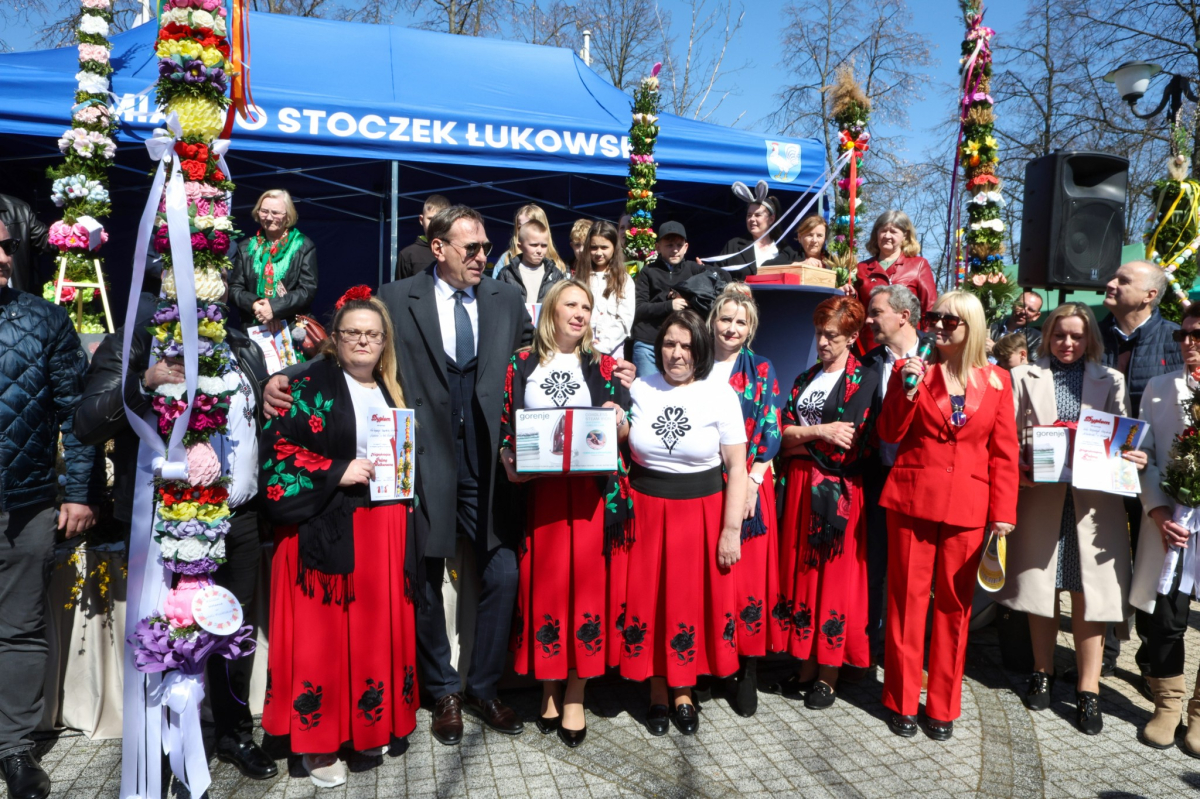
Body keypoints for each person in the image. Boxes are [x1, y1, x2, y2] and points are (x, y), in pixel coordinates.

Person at [262, 207, 642, 746]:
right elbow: (350, 346)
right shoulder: (397, 297)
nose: (485, 256)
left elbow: (549, 351)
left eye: (486, 246)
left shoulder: (505, 298)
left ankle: (483, 687)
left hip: (491, 464)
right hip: (423, 461)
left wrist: (613, 367)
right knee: (422, 575)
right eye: (473, 248)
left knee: (503, 573)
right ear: (438, 248)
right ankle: (443, 690)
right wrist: (281, 377)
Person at [73, 272, 276, 781]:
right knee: (172, 633)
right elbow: (86, 423)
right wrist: (144, 382)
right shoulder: (136, 343)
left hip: (239, 516)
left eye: (213, 276)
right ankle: (168, 747)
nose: (202, 286)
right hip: (168, 522)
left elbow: (257, 424)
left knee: (231, 629)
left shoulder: (241, 346)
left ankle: (233, 733)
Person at [259, 288, 418, 788]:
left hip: (383, 528)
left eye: (373, 334)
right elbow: (276, 453)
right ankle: (318, 743)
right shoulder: (307, 385)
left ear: (385, 341)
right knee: (323, 639)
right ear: (335, 338)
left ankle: (367, 724)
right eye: (353, 333)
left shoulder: (392, 388)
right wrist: (335, 470)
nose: (363, 341)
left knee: (371, 632)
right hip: (325, 527)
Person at [878, 289, 1018, 741]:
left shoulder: (998, 381)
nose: (938, 326)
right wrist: (906, 388)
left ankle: (942, 705)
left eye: (949, 321)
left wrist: (1003, 513)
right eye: (934, 318)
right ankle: (901, 700)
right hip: (912, 501)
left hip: (969, 507)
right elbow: (889, 431)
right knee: (906, 603)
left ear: (970, 328)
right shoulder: (913, 370)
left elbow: (1004, 453)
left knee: (955, 608)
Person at [499, 279, 632, 748]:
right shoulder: (521, 363)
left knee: (587, 593)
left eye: (586, 307)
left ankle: (575, 692)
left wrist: (618, 420)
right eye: (570, 305)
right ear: (550, 311)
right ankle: (549, 683)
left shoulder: (605, 364)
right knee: (547, 591)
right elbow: (507, 425)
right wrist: (507, 457)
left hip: (591, 499)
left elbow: (624, 431)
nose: (579, 313)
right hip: (541, 499)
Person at [1000, 303, 1137, 735]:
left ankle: (1088, 687)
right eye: (1060, 335)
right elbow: (1007, 436)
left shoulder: (1110, 379)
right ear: (1048, 336)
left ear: (1089, 338)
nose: (1067, 343)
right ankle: (1042, 670)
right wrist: (1019, 465)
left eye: (1077, 336)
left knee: (1087, 592)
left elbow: (1123, 439)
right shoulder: (1023, 376)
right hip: (1041, 497)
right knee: (1041, 588)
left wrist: (1131, 456)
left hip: (1093, 504)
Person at [0, 218, 101, 799]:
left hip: (26, 505)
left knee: (18, 630)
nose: (2, 257)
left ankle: (14, 749)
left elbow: (78, 414)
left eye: (6, 246)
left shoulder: (45, 319)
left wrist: (79, 492)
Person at [620, 309, 748, 736]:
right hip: (645, 512)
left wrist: (730, 531)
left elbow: (737, 466)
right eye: (669, 344)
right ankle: (658, 691)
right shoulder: (640, 388)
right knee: (651, 602)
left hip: (700, 514)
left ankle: (684, 690)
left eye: (686, 346)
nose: (676, 354)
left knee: (686, 603)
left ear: (701, 350)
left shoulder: (720, 394)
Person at [772, 296, 880, 709]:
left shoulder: (864, 379)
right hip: (800, 487)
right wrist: (817, 431)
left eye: (831, 335)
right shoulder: (806, 377)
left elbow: (848, 444)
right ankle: (804, 663)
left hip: (837, 492)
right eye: (819, 333)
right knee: (801, 572)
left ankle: (829, 672)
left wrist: (799, 438)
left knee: (833, 577)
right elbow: (780, 432)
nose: (822, 342)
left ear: (852, 337)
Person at [1099, 260, 1183, 675]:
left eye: (1123, 280)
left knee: (1153, 564)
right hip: (1101, 469)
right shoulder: (1093, 335)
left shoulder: (1175, 339)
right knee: (1106, 558)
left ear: (1150, 295)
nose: (1110, 283)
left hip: (1156, 476)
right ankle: (1105, 651)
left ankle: (1153, 659)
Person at [705, 286, 783, 717]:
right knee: (712, 576)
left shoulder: (761, 368)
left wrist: (752, 480)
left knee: (747, 580)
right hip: (703, 485)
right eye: (726, 319)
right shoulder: (697, 363)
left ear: (750, 328)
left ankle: (747, 669)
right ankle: (709, 665)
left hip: (750, 482)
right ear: (712, 320)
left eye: (741, 322)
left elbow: (771, 426)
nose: (732, 328)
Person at [1128, 303, 1200, 754]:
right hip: (1171, 523)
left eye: (1198, 334)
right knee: (1166, 618)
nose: (1188, 343)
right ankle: (1167, 706)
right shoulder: (1158, 388)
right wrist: (1158, 513)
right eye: (1183, 335)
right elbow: (1146, 457)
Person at [859, 284, 927, 663]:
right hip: (877, 478)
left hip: (923, 481)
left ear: (903, 316)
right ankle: (870, 650)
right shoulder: (868, 363)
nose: (869, 320)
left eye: (876, 312)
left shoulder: (938, 355)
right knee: (875, 566)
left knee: (916, 574)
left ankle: (911, 654)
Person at [631, 221, 724, 378]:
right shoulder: (648, 272)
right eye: (669, 245)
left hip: (684, 345)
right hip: (648, 344)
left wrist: (693, 288)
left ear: (686, 247)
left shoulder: (694, 269)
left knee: (682, 389)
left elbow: (722, 277)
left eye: (679, 245)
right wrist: (669, 305)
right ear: (658, 247)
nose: (674, 250)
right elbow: (639, 309)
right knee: (648, 390)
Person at [228, 189, 319, 334]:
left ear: (287, 215)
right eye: (264, 211)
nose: (269, 217)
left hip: (292, 327)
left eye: (275, 213)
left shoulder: (303, 246)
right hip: (255, 328)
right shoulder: (246, 247)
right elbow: (234, 288)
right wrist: (255, 304)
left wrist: (274, 308)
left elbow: (307, 290)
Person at [853, 210, 937, 354]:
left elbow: (930, 309)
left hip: (908, 347)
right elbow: (855, 311)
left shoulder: (918, 265)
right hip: (870, 347)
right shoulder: (861, 268)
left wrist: (926, 346)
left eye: (893, 231)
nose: (887, 236)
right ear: (876, 234)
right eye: (883, 230)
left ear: (905, 235)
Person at [576, 221, 635, 358]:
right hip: (582, 346)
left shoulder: (624, 280)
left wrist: (602, 345)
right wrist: (585, 343)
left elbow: (625, 320)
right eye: (594, 247)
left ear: (614, 247)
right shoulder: (580, 278)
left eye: (604, 247)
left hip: (612, 350)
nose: (599, 253)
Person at [716, 195, 797, 281]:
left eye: (757, 215)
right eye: (749, 215)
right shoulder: (734, 246)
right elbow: (717, 274)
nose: (752, 219)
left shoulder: (784, 249)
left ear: (771, 219)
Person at [495, 219, 566, 303]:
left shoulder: (555, 275)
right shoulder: (507, 273)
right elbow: (498, 303)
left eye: (544, 245)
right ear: (520, 246)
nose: (539, 250)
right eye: (534, 245)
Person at [0, 194, 54, 294]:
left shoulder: (17, 209)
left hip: (14, 298)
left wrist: (73, 230)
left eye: (8, 247)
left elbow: (51, 241)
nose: (3, 259)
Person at [493, 204, 563, 277]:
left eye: (528, 225)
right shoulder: (506, 258)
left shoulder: (556, 264)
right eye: (520, 227)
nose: (523, 230)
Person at [395, 194, 450, 281]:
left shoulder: (456, 250)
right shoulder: (408, 254)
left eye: (439, 219)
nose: (434, 223)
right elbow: (401, 288)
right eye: (430, 219)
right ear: (421, 220)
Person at [987, 291, 1043, 356]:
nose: (1023, 311)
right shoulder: (990, 328)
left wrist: (996, 350)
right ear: (1013, 305)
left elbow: (1031, 362)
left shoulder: (1037, 338)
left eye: (1030, 310)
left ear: (1036, 316)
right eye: (1021, 306)